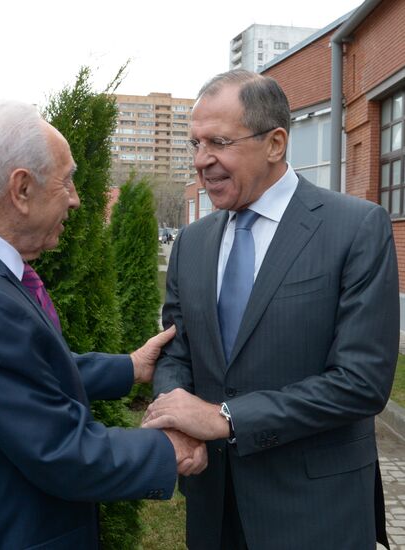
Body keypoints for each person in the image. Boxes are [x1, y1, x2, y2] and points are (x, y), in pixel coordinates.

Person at [0, 100, 207, 550]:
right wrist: (170, 447)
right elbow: (61, 452)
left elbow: (24, 373)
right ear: (22, 188)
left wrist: (131, 367)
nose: (76, 197)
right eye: (67, 180)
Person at [142, 69, 399, 550]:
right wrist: (176, 418)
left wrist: (227, 418)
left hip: (316, 511)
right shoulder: (192, 243)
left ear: (276, 143)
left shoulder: (355, 227)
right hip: (213, 507)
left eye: (218, 142)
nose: (202, 161)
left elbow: (361, 383)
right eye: (194, 145)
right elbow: (177, 352)